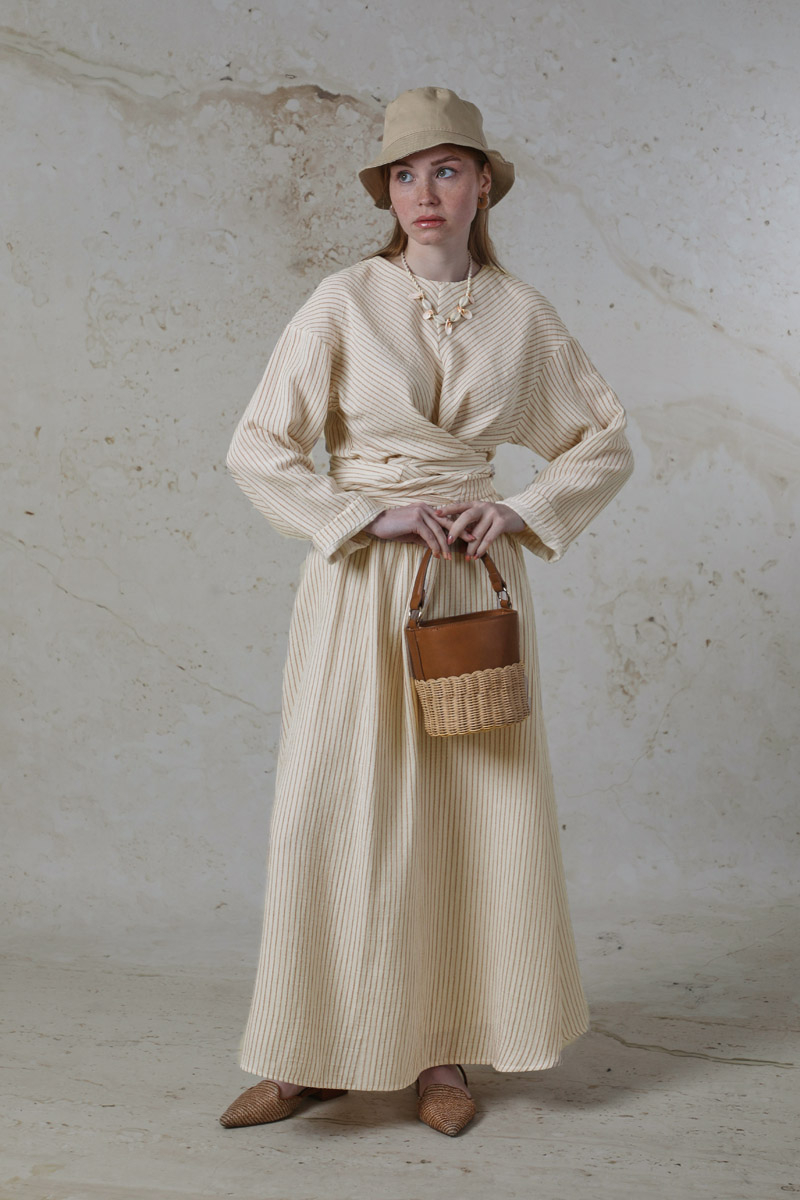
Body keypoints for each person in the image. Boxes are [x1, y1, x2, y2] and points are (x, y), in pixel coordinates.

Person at [219, 85, 634, 1138]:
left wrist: (518, 509)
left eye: (445, 169)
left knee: (466, 814)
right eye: (403, 174)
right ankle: (307, 1051)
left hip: (468, 586)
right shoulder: (340, 302)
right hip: (361, 581)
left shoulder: (521, 315)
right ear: (387, 192)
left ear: (482, 183)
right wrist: (366, 514)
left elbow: (602, 441)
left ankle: (441, 1053)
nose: (423, 192)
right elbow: (258, 447)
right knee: (335, 803)